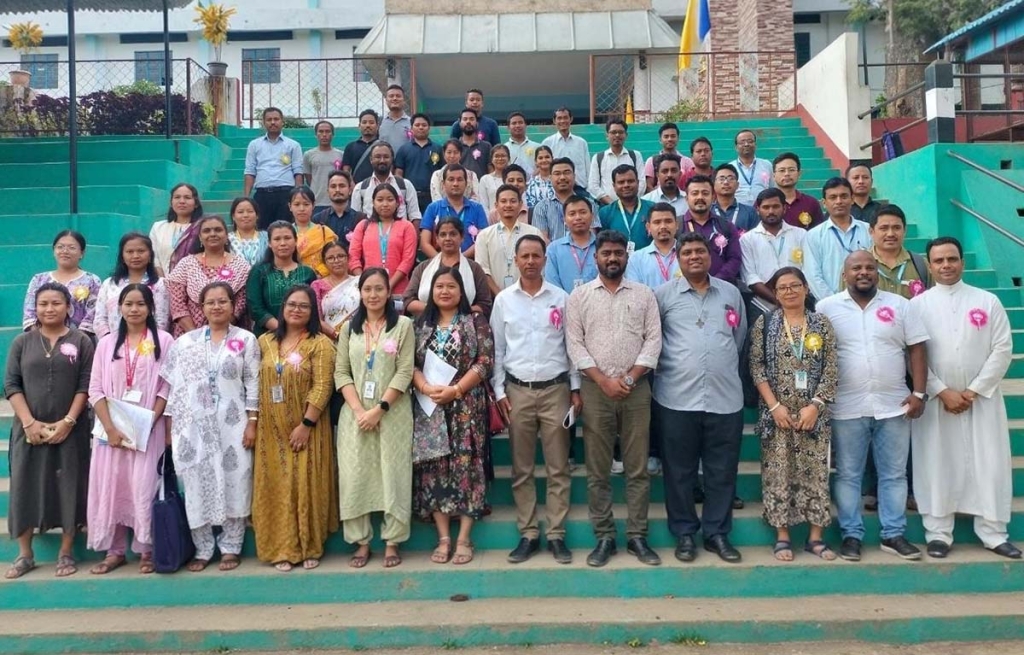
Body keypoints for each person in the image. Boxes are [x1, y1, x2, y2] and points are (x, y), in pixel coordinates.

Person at [910, 236, 1021, 559]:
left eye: (952, 259)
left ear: (962, 262)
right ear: (929, 266)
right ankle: (938, 533)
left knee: (989, 462)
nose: (946, 266)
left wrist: (972, 391)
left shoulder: (987, 302)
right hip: (936, 400)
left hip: (981, 399)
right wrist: (941, 390)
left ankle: (993, 532)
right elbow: (914, 354)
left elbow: (1003, 349)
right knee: (936, 462)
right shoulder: (918, 305)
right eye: (939, 261)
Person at [816, 250, 929, 562]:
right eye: (856, 268)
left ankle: (893, 534)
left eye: (869, 267)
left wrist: (919, 392)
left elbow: (917, 348)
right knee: (849, 474)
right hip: (846, 407)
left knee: (894, 474)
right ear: (844, 274)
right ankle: (851, 535)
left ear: (877, 272)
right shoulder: (826, 308)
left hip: (894, 405)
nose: (863, 272)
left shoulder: (900, 305)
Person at [566, 230, 662, 567]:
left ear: (627, 256)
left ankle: (638, 537)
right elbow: (574, 344)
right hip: (596, 391)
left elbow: (653, 341)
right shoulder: (579, 297)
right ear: (596, 257)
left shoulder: (644, 295)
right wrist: (602, 381)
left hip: (636, 390)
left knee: (637, 468)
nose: (612, 258)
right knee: (598, 470)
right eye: (606, 253)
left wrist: (631, 377)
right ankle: (604, 537)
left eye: (618, 253)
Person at [653, 232, 747, 563]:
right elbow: (656, 341)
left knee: (722, 470)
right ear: (677, 259)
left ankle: (717, 533)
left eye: (700, 251)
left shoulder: (731, 294)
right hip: (676, 399)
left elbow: (738, 339)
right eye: (688, 252)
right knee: (679, 471)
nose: (694, 256)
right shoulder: (663, 296)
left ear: (711, 256)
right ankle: (684, 534)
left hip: (725, 398)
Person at [491, 234, 580, 565]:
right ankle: (528, 533)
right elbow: (499, 350)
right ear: (516, 260)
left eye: (536, 256)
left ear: (545, 259)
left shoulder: (561, 298)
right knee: (522, 467)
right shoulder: (504, 301)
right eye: (524, 256)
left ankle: (556, 535)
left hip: (556, 390)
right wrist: (500, 391)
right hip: (518, 392)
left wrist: (574, 389)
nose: (530, 261)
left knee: (558, 467)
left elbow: (572, 348)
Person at [162, 281, 259, 572]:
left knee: (235, 477)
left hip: (233, 423)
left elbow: (253, 381)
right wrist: (170, 428)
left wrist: (252, 422)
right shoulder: (185, 343)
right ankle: (203, 547)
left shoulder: (245, 340)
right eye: (210, 302)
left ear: (233, 305)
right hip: (193, 427)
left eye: (223, 301)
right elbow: (173, 388)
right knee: (196, 482)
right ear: (201, 308)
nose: (217, 307)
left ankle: (231, 546)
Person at [4, 282, 94, 579]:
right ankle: (25, 554)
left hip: (72, 428)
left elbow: (86, 385)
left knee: (69, 485)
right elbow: (11, 385)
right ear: (35, 308)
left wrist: (68, 422)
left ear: (69, 307)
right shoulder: (22, 342)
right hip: (29, 429)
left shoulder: (81, 341)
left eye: (56, 303)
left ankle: (66, 551)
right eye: (43, 304)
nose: (49, 309)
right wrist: (30, 423)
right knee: (24, 485)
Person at [750, 267, 839, 562]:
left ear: (806, 289)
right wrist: (775, 407)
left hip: (813, 414)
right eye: (782, 287)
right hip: (777, 414)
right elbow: (757, 367)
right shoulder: (764, 324)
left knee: (815, 475)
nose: (789, 291)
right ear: (775, 294)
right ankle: (783, 536)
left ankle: (815, 539)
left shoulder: (821, 324)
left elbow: (831, 368)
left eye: (795, 286)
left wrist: (815, 405)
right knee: (778, 474)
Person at [86, 283, 174, 575]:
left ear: (150, 308)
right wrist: (111, 429)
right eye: (128, 304)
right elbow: (95, 389)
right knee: (113, 485)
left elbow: (166, 386)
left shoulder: (163, 340)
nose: (134, 310)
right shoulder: (107, 343)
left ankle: (146, 548)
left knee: (143, 486)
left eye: (140, 304)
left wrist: (148, 422)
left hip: (148, 428)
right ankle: (115, 551)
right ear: (119, 308)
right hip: (111, 432)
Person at [411, 266, 494, 566]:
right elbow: (409, 363)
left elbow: (485, 361)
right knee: (433, 468)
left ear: (461, 292)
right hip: (430, 406)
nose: (445, 291)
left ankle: (464, 538)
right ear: (431, 292)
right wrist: (425, 387)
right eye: (439, 286)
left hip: (466, 407)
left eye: (451, 286)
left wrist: (456, 390)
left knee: (466, 466)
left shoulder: (475, 321)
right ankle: (444, 537)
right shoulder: (420, 324)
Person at [252, 285, 338, 571]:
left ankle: (309, 545)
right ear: (283, 307)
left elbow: (323, 386)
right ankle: (282, 548)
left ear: (313, 312)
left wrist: (306, 424)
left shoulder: (320, 343)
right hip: (271, 429)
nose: (296, 310)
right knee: (277, 486)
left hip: (306, 428)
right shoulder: (264, 342)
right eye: (291, 304)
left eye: (304, 306)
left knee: (305, 484)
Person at [335, 268, 415, 569]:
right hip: (355, 413)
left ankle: (393, 540)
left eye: (379, 288)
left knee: (393, 472)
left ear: (388, 291)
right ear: (360, 292)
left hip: (392, 412)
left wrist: (379, 408)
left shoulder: (403, 325)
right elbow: (341, 371)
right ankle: (362, 541)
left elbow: (405, 370)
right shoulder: (348, 329)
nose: (373, 295)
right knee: (355, 474)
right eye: (367, 289)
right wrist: (359, 411)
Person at [167, 215, 250, 337]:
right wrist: (196, 335)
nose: (212, 234)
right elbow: (177, 305)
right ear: (200, 238)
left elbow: (239, 304)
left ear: (227, 236)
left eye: (218, 230)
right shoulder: (187, 264)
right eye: (207, 231)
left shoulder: (240, 265)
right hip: (188, 335)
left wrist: (218, 331)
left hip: (228, 333)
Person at [404, 217, 492, 317]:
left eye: (453, 234)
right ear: (436, 239)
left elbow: (485, 305)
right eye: (443, 234)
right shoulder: (423, 268)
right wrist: (437, 309)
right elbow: (408, 301)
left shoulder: (474, 269)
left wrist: (455, 311)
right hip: (426, 326)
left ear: (462, 237)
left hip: (465, 328)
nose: (448, 238)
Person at [803, 178, 872, 301]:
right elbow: (813, 275)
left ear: (852, 199)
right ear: (824, 203)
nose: (839, 201)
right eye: (833, 197)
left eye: (844, 196)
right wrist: (834, 303)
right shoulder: (813, 235)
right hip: (830, 305)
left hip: (867, 300)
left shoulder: (868, 231)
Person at [247, 220, 318, 337]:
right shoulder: (259, 271)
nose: (283, 243)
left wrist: (294, 332)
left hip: (302, 336)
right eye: (277, 239)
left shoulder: (307, 273)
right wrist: (281, 329)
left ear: (295, 241)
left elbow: (313, 307)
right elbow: (255, 308)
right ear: (269, 243)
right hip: (267, 336)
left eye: (287, 238)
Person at [23, 230, 101, 336]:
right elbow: (30, 313)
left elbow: (93, 314)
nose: (65, 251)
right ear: (54, 251)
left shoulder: (92, 280)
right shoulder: (39, 279)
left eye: (71, 247)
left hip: (82, 341)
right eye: (60, 247)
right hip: (41, 340)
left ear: (82, 253)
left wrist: (74, 340)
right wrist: (42, 338)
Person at [741, 188, 808, 309]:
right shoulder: (747, 239)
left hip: (799, 300)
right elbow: (750, 277)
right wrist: (778, 300)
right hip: (763, 302)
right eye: (766, 207)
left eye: (776, 206)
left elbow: (807, 269)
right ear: (757, 210)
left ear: (784, 208)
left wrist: (792, 296)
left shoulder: (800, 234)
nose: (771, 211)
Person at [348, 184, 419, 297]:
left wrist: (389, 285)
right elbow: (353, 257)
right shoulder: (363, 226)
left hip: (398, 289)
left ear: (397, 203)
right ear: (373, 203)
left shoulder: (407, 226)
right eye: (380, 200)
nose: (385, 204)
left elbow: (408, 260)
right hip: (369, 290)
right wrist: (364, 282)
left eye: (390, 200)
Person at [95, 232, 170, 338]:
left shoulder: (160, 284)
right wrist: (110, 342)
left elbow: (161, 321)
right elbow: (100, 319)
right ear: (122, 256)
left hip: (147, 347)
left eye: (141, 251)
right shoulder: (109, 284)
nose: (135, 256)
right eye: (130, 251)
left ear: (150, 255)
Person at [476, 184, 544, 296]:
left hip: (527, 297)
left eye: (513, 201)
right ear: (496, 205)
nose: (508, 205)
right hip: (495, 298)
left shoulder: (534, 233)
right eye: (503, 201)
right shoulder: (484, 236)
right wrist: (500, 297)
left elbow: (540, 267)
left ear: (520, 204)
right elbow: (483, 271)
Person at [243, 107, 304, 230]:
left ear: (282, 121)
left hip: (285, 194)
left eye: (276, 119)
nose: (272, 122)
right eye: (269, 119)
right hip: (262, 195)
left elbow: (298, 172)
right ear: (264, 123)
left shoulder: (293, 145)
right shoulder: (254, 145)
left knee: (285, 230)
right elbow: (250, 171)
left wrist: (297, 196)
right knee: (262, 231)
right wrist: (246, 197)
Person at [679, 175, 742, 286]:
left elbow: (734, 259)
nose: (700, 197)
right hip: (685, 289)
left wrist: (715, 281)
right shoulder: (677, 226)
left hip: (721, 288)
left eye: (705, 193)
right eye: (695, 193)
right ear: (686, 198)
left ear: (713, 197)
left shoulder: (726, 226)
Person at [420, 164, 490, 258]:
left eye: (460, 179)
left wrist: (460, 260)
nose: (455, 183)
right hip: (439, 267)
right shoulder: (433, 208)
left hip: (470, 264)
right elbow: (424, 243)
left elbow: (482, 240)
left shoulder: (477, 208)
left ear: (466, 183)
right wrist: (442, 262)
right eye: (451, 179)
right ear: (443, 184)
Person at [350, 141, 422, 225]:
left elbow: (415, 216)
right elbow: (355, 219)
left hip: (400, 236)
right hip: (371, 236)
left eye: (386, 157)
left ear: (392, 159)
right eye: (377, 157)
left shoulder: (405, 185)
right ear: (371, 160)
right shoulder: (360, 188)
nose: (382, 160)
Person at [870, 204, 930, 299]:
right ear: (871, 231)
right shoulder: (857, 266)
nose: (890, 234)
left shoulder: (921, 265)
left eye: (896, 228)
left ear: (905, 230)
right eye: (884, 228)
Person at [533, 158, 598, 243]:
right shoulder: (541, 207)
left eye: (567, 173)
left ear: (574, 176)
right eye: (557, 174)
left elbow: (591, 235)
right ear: (550, 178)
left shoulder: (589, 203)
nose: (562, 177)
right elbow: (542, 240)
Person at [544, 196, 600, 293]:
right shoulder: (554, 249)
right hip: (564, 305)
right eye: (572, 214)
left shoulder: (602, 246)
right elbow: (552, 284)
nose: (578, 217)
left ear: (592, 216)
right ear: (564, 219)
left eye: (583, 212)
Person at [150, 182, 204, 275]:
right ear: (171, 202)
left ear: (196, 203)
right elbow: (154, 257)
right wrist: (163, 281)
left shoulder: (203, 227)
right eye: (177, 197)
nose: (182, 201)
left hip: (196, 281)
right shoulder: (158, 227)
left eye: (187, 197)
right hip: (163, 282)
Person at [394, 113, 444, 213]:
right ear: (411, 128)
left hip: (432, 196)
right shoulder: (404, 149)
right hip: (410, 196)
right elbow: (398, 173)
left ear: (429, 128)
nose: (421, 127)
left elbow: (442, 173)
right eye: (417, 125)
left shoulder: (438, 148)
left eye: (424, 125)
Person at [587, 119, 645, 205]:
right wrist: (612, 204)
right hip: (606, 207)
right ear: (607, 135)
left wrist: (630, 201)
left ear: (626, 135)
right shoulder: (598, 158)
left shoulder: (635, 156)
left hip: (633, 205)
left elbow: (642, 182)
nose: (617, 135)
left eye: (621, 132)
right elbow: (593, 186)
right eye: (613, 132)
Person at [312, 241, 360, 341]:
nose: (336, 260)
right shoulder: (317, 286)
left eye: (341, 256)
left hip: (359, 337)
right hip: (330, 339)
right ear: (324, 262)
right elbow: (316, 319)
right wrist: (337, 335)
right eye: (330, 258)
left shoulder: (360, 282)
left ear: (348, 258)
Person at [624, 203, 681, 288]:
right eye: (657, 222)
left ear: (677, 225)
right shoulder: (636, 259)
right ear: (648, 227)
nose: (663, 226)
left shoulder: (689, 255)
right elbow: (635, 292)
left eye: (668, 221)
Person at [598, 166, 654, 251]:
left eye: (630, 181)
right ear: (614, 186)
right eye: (621, 182)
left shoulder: (653, 209)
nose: (626, 185)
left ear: (638, 183)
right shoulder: (605, 212)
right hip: (617, 262)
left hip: (648, 261)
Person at [290, 186, 337, 276]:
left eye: (306, 204)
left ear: (313, 205)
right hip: (293, 279)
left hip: (322, 279)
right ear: (290, 206)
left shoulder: (324, 232)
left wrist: (317, 274)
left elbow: (333, 257)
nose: (302, 209)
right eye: (297, 204)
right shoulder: (286, 233)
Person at [542, 106, 590, 187]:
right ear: (554, 121)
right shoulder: (547, 143)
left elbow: (588, 168)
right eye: (559, 118)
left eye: (565, 118)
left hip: (580, 190)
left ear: (571, 119)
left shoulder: (581, 143)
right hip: (556, 189)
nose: (563, 121)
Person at [773, 152, 824, 230]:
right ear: (774, 175)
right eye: (782, 170)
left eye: (791, 170)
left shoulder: (811, 203)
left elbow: (819, 233)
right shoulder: (765, 203)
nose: (787, 174)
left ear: (799, 173)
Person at [313, 171, 364, 246]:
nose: (337, 190)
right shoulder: (318, 220)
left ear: (350, 190)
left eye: (342, 186)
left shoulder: (360, 219)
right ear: (328, 191)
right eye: (333, 186)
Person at [642, 122, 695, 191]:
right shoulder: (652, 161)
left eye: (673, 136)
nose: (669, 139)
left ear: (678, 138)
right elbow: (648, 185)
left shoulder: (687, 161)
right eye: (666, 136)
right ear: (660, 140)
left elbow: (693, 184)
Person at [302, 120, 343, 208]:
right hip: (316, 202)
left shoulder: (340, 155)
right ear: (316, 135)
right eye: (321, 131)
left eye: (327, 131)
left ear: (333, 134)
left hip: (336, 201)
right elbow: (309, 178)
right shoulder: (308, 155)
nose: (324, 135)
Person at [729, 129, 773, 206]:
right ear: (736, 147)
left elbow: (773, 188)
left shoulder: (766, 165)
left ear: (755, 144)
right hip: (738, 211)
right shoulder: (730, 167)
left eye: (750, 141)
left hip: (763, 210)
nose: (746, 144)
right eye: (742, 142)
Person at [710, 164, 758, 232]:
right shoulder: (707, 212)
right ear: (713, 185)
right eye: (721, 179)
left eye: (731, 178)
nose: (726, 182)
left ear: (737, 185)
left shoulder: (750, 212)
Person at [341, 109, 381, 183]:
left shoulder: (383, 146)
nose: (368, 125)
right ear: (359, 126)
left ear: (377, 126)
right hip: (356, 189)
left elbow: (389, 168)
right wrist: (351, 184)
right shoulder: (350, 147)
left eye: (371, 122)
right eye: (364, 122)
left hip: (379, 189)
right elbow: (346, 169)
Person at [227, 197, 269, 267]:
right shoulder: (226, 239)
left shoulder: (267, 237)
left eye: (250, 211)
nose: (245, 215)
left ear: (257, 215)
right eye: (240, 212)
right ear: (233, 216)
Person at [456, 108, 492, 179]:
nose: (468, 122)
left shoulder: (486, 146)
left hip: (481, 187)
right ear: (460, 123)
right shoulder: (455, 146)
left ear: (477, 123)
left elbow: (490, 168)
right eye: (465, 119)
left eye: (472, 119)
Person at [505, 111, 540, 176]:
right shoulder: (504, 148)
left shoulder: (537, 147)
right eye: (514, 123)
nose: (517, 125)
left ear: (526, 125)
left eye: (520, 122)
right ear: (508, 127)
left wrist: (533, 177)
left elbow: (542, 166)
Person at [478, 144, 511, 212]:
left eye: (503, 156)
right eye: (496, 156)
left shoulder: (513, 178)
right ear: (491, 159)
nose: (500, 159)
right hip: (491, 220)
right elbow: (483, 205)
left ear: (509, 158)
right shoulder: (485, 179)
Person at [379, 84, 412, 151]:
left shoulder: (412, 122)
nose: (395, 98)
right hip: (384, 161)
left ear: (404, 100)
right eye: (391, 96)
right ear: (386, 100)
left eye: (398, 96)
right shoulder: (380, 123)